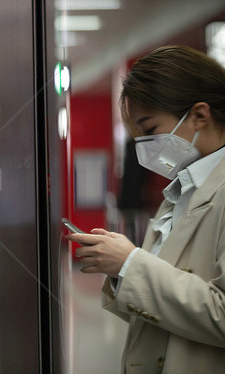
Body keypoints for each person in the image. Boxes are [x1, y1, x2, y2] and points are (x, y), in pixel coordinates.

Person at [66, 46, 225, 373]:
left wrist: (131, 264)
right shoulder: (180, 193)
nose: (146, 147)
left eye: (150, 130)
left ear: (199, 115)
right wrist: (121, 269)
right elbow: (161, 307)